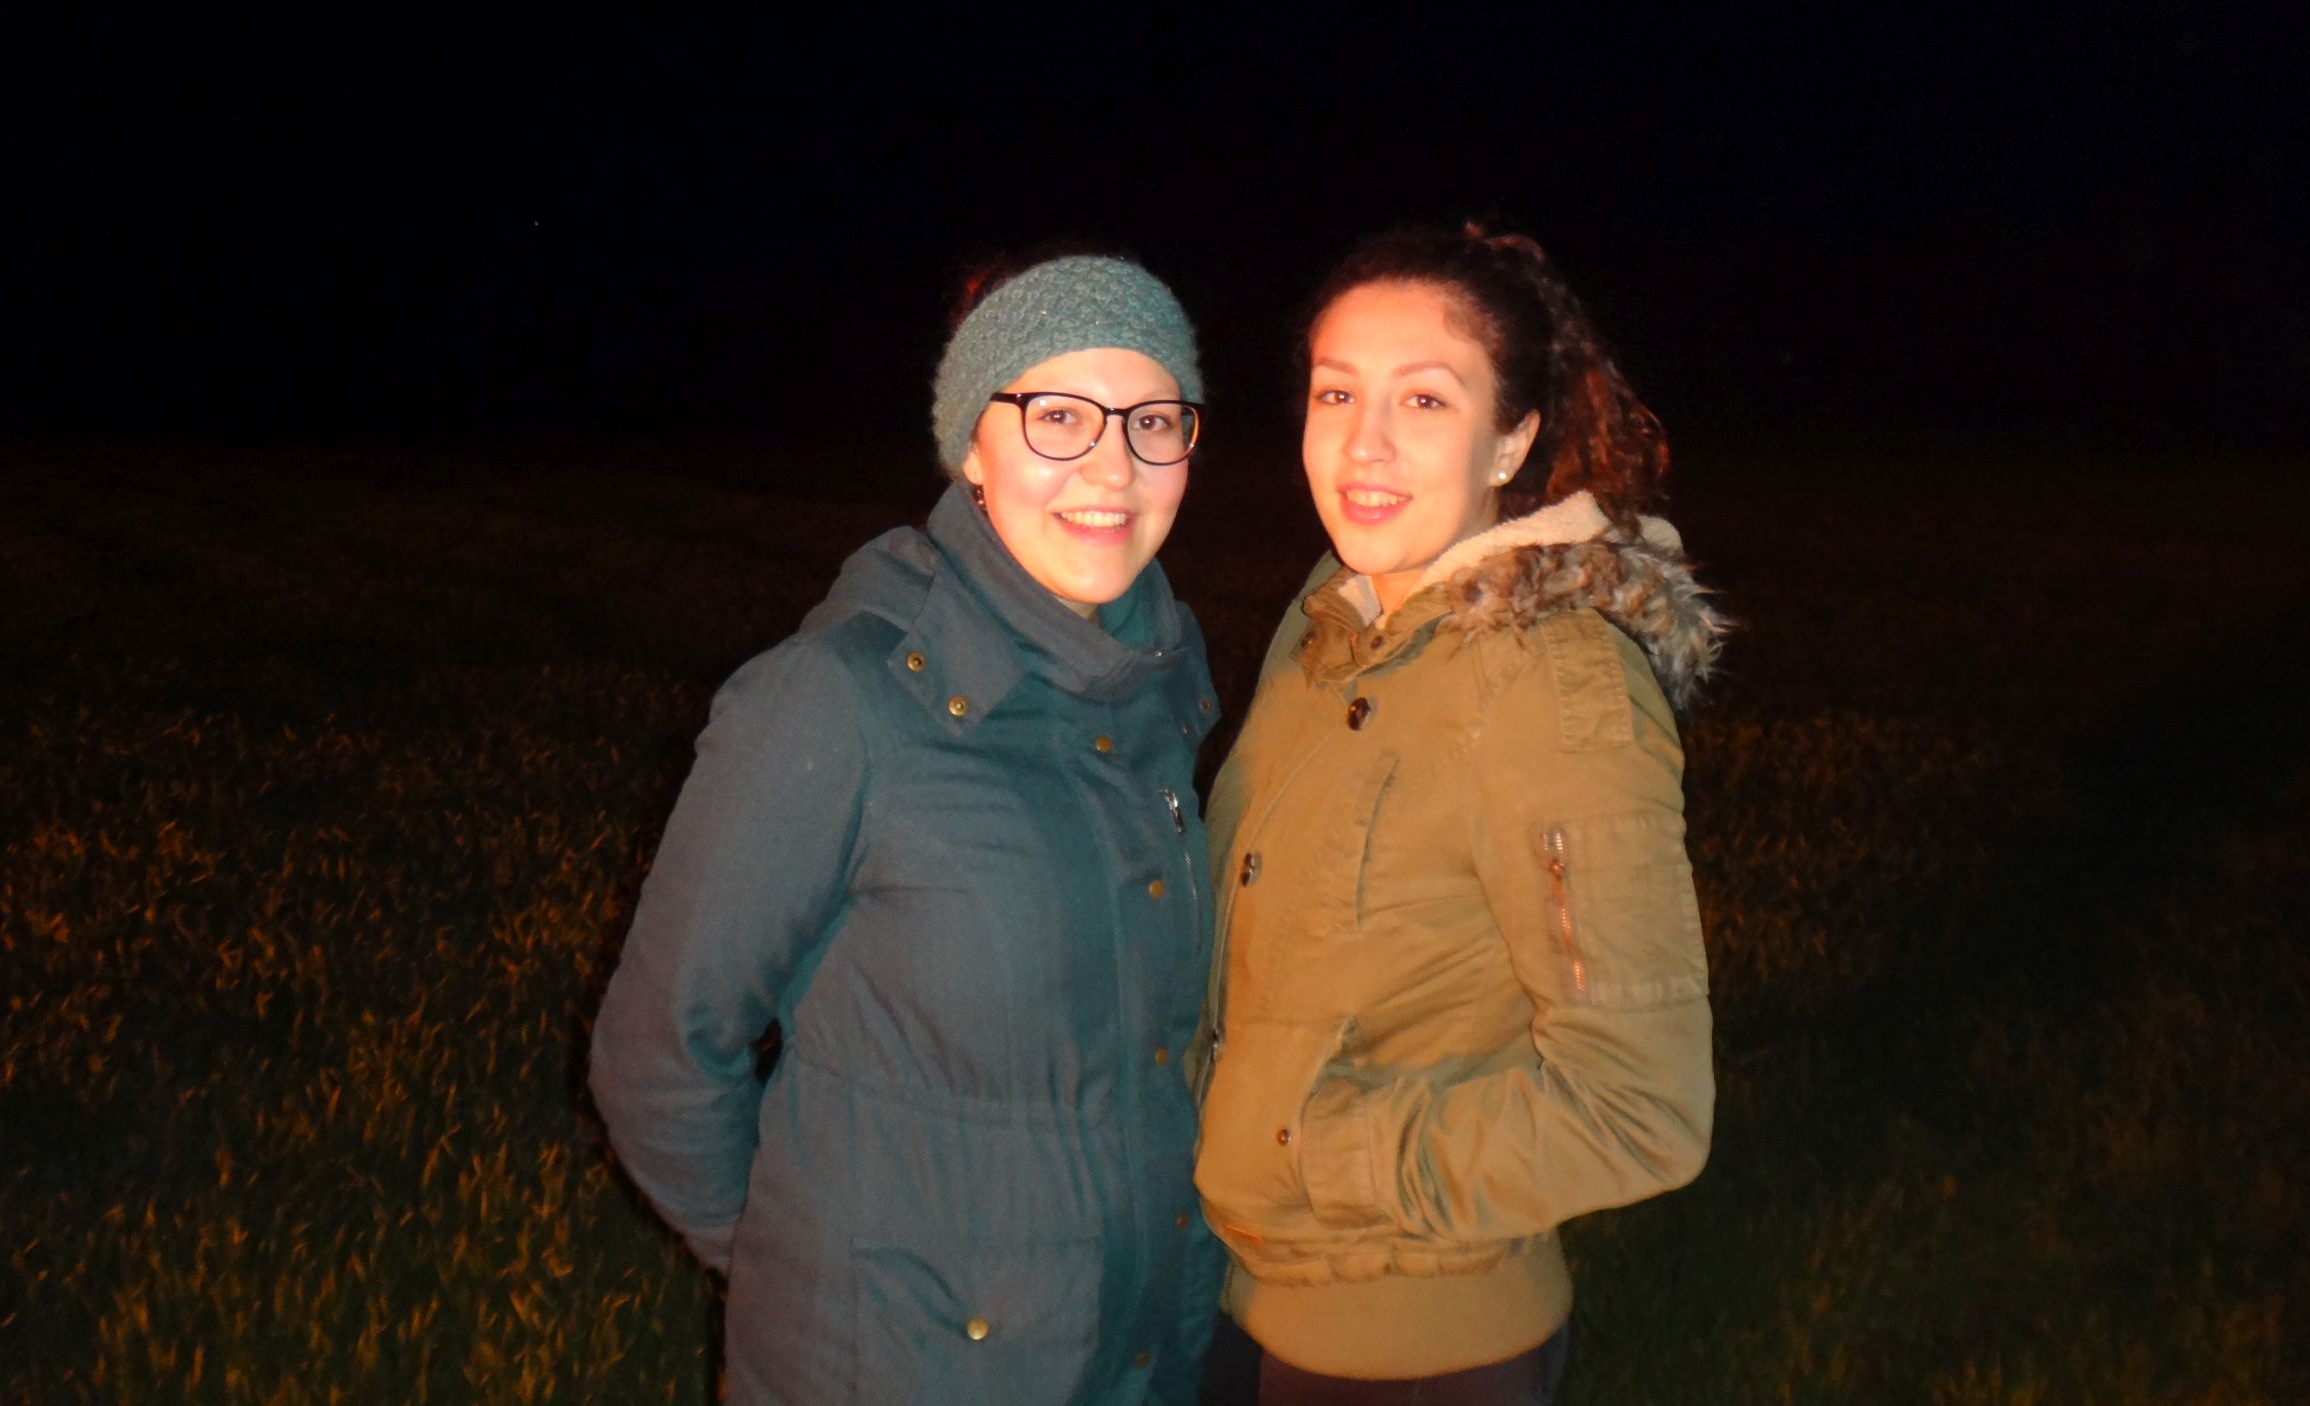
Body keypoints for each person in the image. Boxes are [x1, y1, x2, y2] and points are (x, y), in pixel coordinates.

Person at [589, 253, 1224, 1405]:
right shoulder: (836, 701)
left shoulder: (1159, 684)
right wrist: (805, 1276)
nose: (1112, 465)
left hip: (1137, 1357)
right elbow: (658, 1056)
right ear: (971, 443)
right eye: (1058, 415)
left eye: (1152, 419)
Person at [1192, 225, 1726, 1404]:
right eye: (1337, 392)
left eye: (1425, 399)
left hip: (1414, 1351)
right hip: (1239, 1297)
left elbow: (1640, 1109)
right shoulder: (1331, 620)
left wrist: (1298, 1147)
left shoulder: (1549, 684)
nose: (1363, 442)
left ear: (1513, 439)